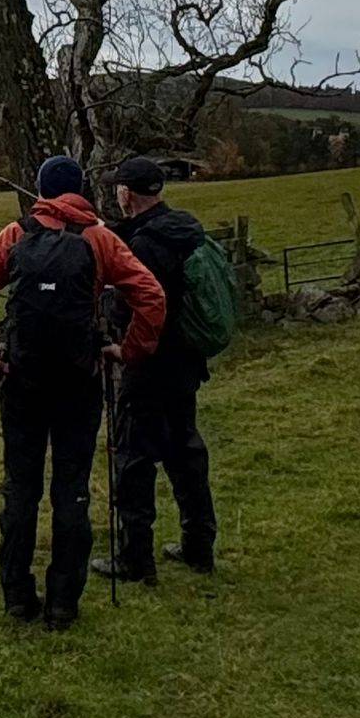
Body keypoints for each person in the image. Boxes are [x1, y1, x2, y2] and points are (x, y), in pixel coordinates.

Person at [0, 155, 166, 629]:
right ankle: (63, 603)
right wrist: (127, 351)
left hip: (22, 380)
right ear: (81, 190)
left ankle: (17, 597)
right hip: (79, 381)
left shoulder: (16, 235)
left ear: (40, 191)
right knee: (71, 489)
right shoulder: (98, 239)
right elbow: (151, 296)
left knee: (20, 488)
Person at [94, 155, 218, 584]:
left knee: (133, 457)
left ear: (126, 193)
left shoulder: (143, 245)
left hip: (148, 364)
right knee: (185, 452)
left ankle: (135, 558)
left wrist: (119, 333)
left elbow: (133, 305)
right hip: (185, 361)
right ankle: (199, 546)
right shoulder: (184, 229)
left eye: (118, 187)